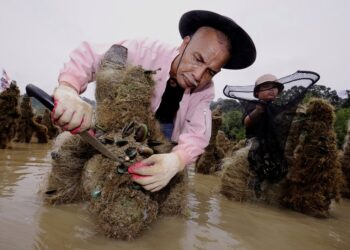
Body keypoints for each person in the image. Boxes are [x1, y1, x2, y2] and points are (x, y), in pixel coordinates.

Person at [51, 10, 256, 192]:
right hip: (119, 121)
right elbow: (89, 55)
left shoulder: (205, 90)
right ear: (184, 44)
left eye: (211, 71)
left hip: (165, 133)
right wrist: (68, 89)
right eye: (198, 59)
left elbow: (198, 133)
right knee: (70, 162)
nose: (198, 75)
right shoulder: (143, 50)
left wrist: (176, 160)